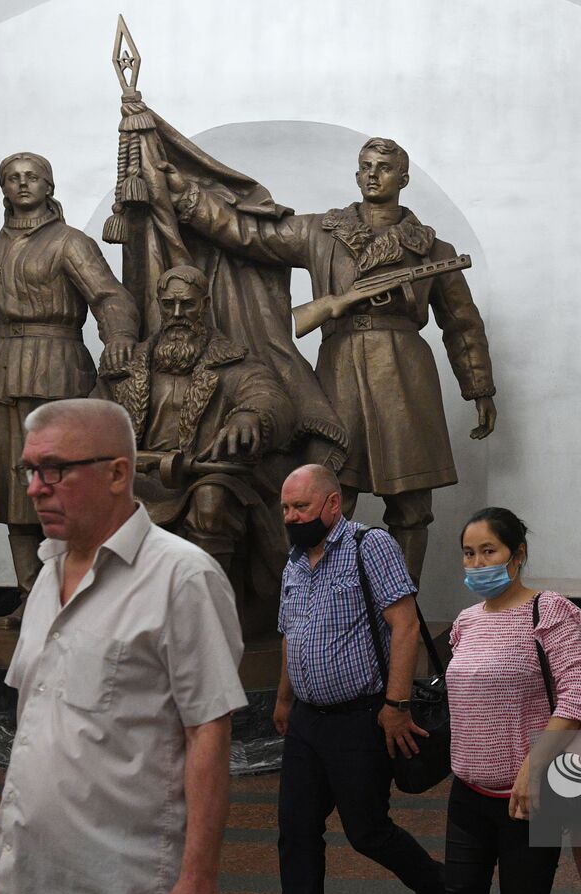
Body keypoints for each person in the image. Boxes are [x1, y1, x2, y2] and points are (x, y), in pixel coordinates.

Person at [151, 134, 497, 585]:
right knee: (330, 489)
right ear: (357, 174)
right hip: (340, 367)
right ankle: (325, 597)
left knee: (412, 506)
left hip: (405, 373)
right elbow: (249, 233)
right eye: (365, 166)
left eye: (385, 167)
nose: (373, 174)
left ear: (404, 178)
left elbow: (462, 326)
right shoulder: (321, 230)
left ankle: (401, 606)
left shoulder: (434, 251)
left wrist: (479, 388)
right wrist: (184, 193)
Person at [0, 398, 246, 894]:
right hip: (28, 892)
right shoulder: (47, 575)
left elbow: (209, 733)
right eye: (30, 471)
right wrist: (2, 847)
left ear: (118, 474)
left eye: (54, 469)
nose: (35, 488)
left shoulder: (182, 578)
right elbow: (37, 729)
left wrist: (197, 882)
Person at [0, 153, 139, 628]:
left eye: (32, 176)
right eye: (12, 178)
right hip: (0, 377)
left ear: (49, 184)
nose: (22, 183)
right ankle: (32, 596)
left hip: (57, 369)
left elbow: (108, 295)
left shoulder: (70, 242)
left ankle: (77, 591)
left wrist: (118, 339)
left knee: (64, 486)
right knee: (13, 493)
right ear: (3, 189)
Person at [272, 464, 448, 894]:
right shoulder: (293, 561)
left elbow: (406, 625)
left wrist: (396, 704)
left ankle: (439, 890)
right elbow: (291, 633)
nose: (290, 516)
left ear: (332, 504)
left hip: (361, 715)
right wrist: (285, 699)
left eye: (300, 506)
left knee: (367, 832)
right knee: (296, 832)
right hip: (307, 720)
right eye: (285, 508)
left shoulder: (369, 546)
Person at [98, 264, 297, 642]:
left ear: (204, 305)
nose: (176, 315)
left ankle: (210, 624)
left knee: (211, 501)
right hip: (138, 477)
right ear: (158, 304)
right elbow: (95, 414)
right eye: (169, 304)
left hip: (204, 473)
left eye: (187, 305)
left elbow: (268, 397)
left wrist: (250, 417)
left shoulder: (232, 360)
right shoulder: (128, 365)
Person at [444, 507, 581, 894]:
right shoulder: (465, 623)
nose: (477, 564)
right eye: (469, 554)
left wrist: (534, 767)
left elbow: (578, 695)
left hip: (531, 798)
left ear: (518, 553)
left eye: (488, 551)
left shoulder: (546, 610)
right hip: (468, 794)